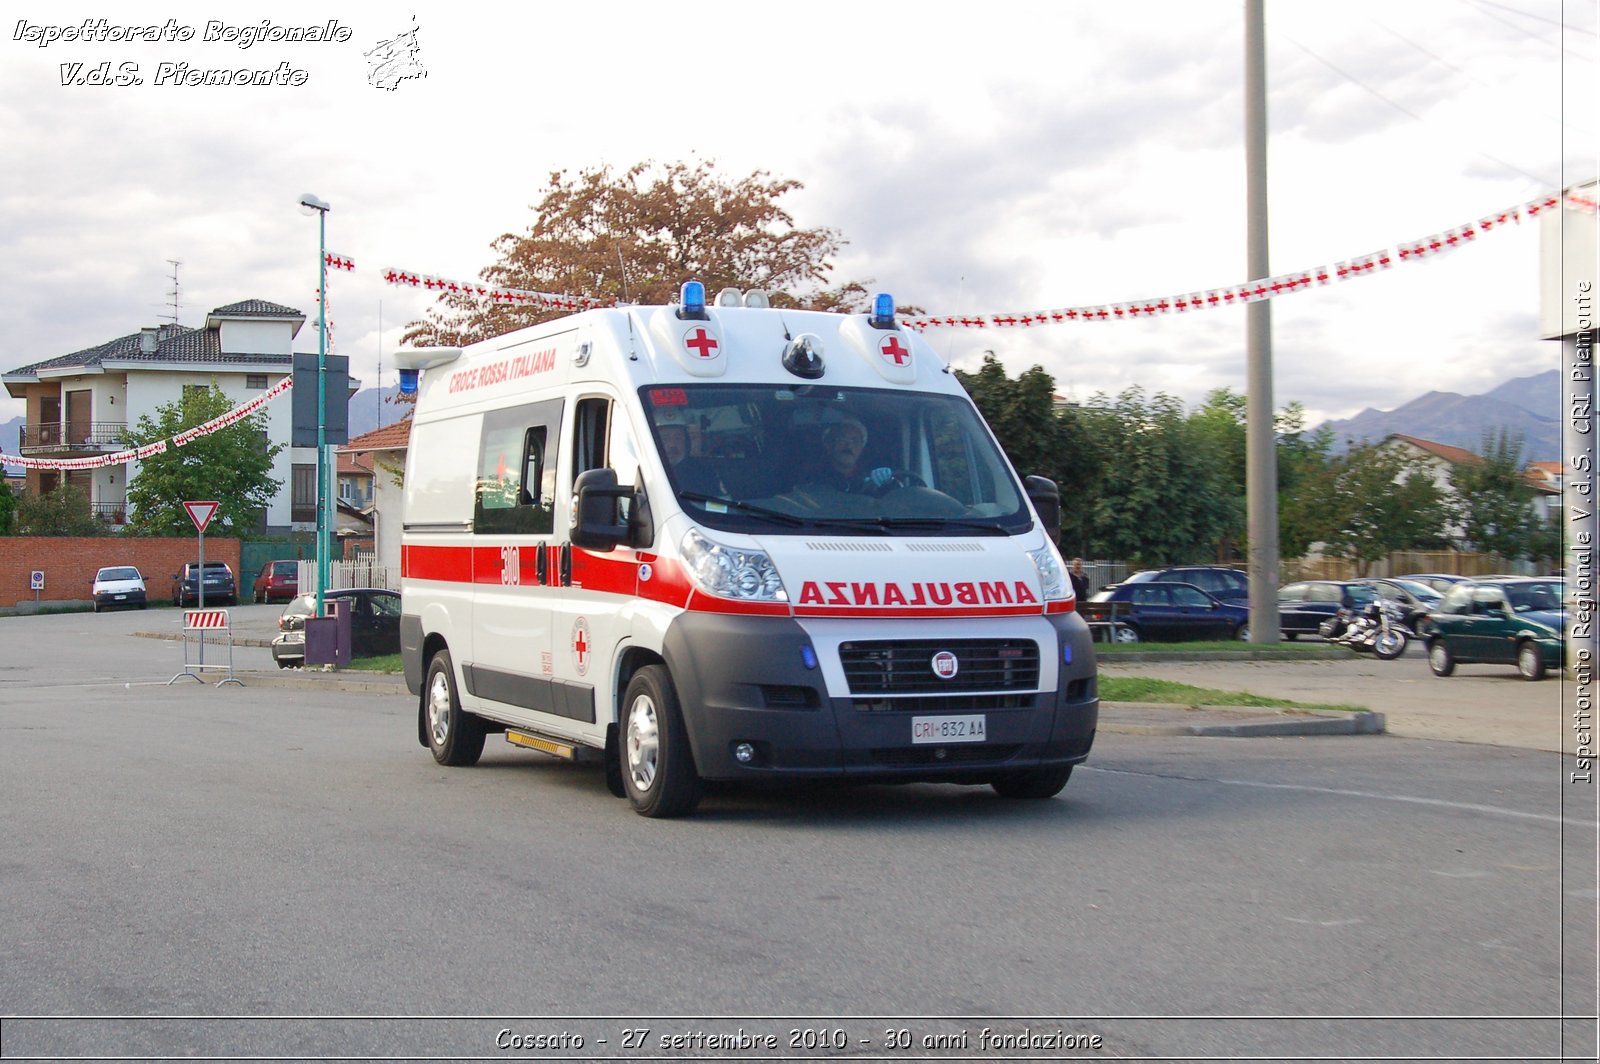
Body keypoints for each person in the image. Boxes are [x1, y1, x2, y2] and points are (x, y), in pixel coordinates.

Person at [813, 416, 894, 493]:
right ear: (828, 444)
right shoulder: (814, 479)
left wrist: (885, 485)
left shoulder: (871, 478)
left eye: (855, 441)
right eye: (842, 438)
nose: (849, 445)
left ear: (861, 449)